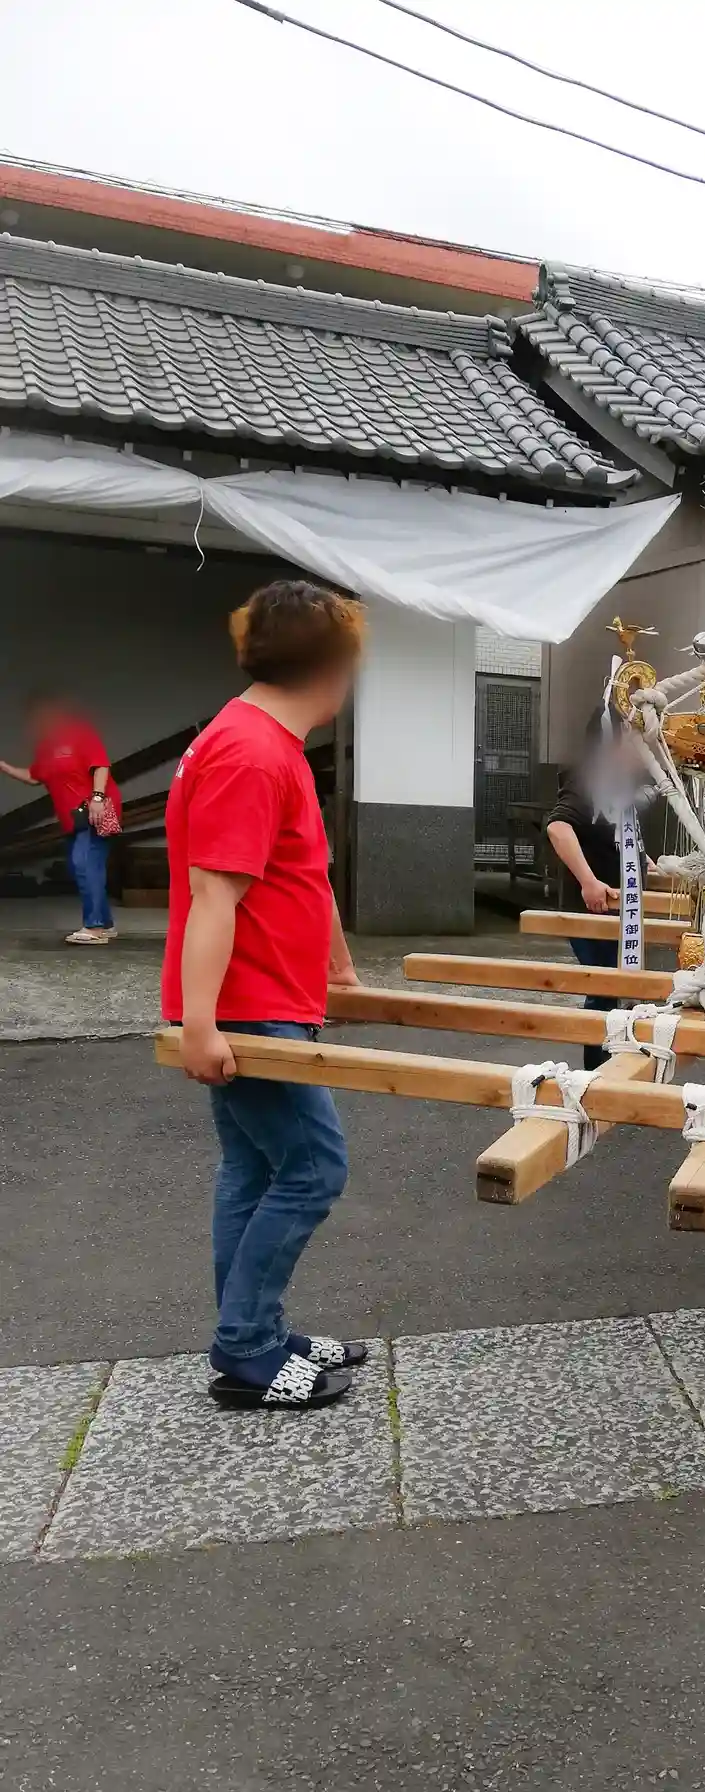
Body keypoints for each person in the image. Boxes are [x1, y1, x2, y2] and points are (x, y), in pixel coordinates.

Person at [162, 580, 369, 1411]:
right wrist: (200, 1024)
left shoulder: (268, 743)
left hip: (268, 994)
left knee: (255, 1168)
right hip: (247, 1006)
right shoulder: (248, 752)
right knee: (314, 1168)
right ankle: (246, 1347)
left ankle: (257, 1328)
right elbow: (214, 895)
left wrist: (339, 968)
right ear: (328, 665)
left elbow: (301, 874)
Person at [545, 710, 635, 1070]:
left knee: (613, 989)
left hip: (618, 907)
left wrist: (643, 861)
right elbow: (558, 827)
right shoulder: (587, 779)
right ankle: (596, 1074)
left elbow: (612, 833)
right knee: (602, 989)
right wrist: (588, 881)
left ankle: (610, 1068)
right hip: (594, 909)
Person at [0, 695, 123, 944]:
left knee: (83, 863)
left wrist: (98, 798)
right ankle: (105, 924)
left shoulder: (80, 734)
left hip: (93, 811)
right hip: (73, 819)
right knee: (86, 866)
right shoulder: (46, 748)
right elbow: (34, 776)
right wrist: (3, 766)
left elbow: (100, 765)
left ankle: (94, 928)